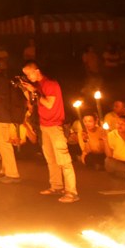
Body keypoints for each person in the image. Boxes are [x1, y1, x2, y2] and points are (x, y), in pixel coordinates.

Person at [20, 60, 78, 203]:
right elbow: (33, 103)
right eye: (25, 75)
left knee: (63, 160)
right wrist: (25, 89)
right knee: (50, 159)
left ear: (37, 71)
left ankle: (72, 192)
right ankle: (56, 186)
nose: (28, 77)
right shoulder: (37, 86)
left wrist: (34, 91)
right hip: (44, 125)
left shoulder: (50, 84)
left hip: (56, 126)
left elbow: (49, 104)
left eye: (28, 74)